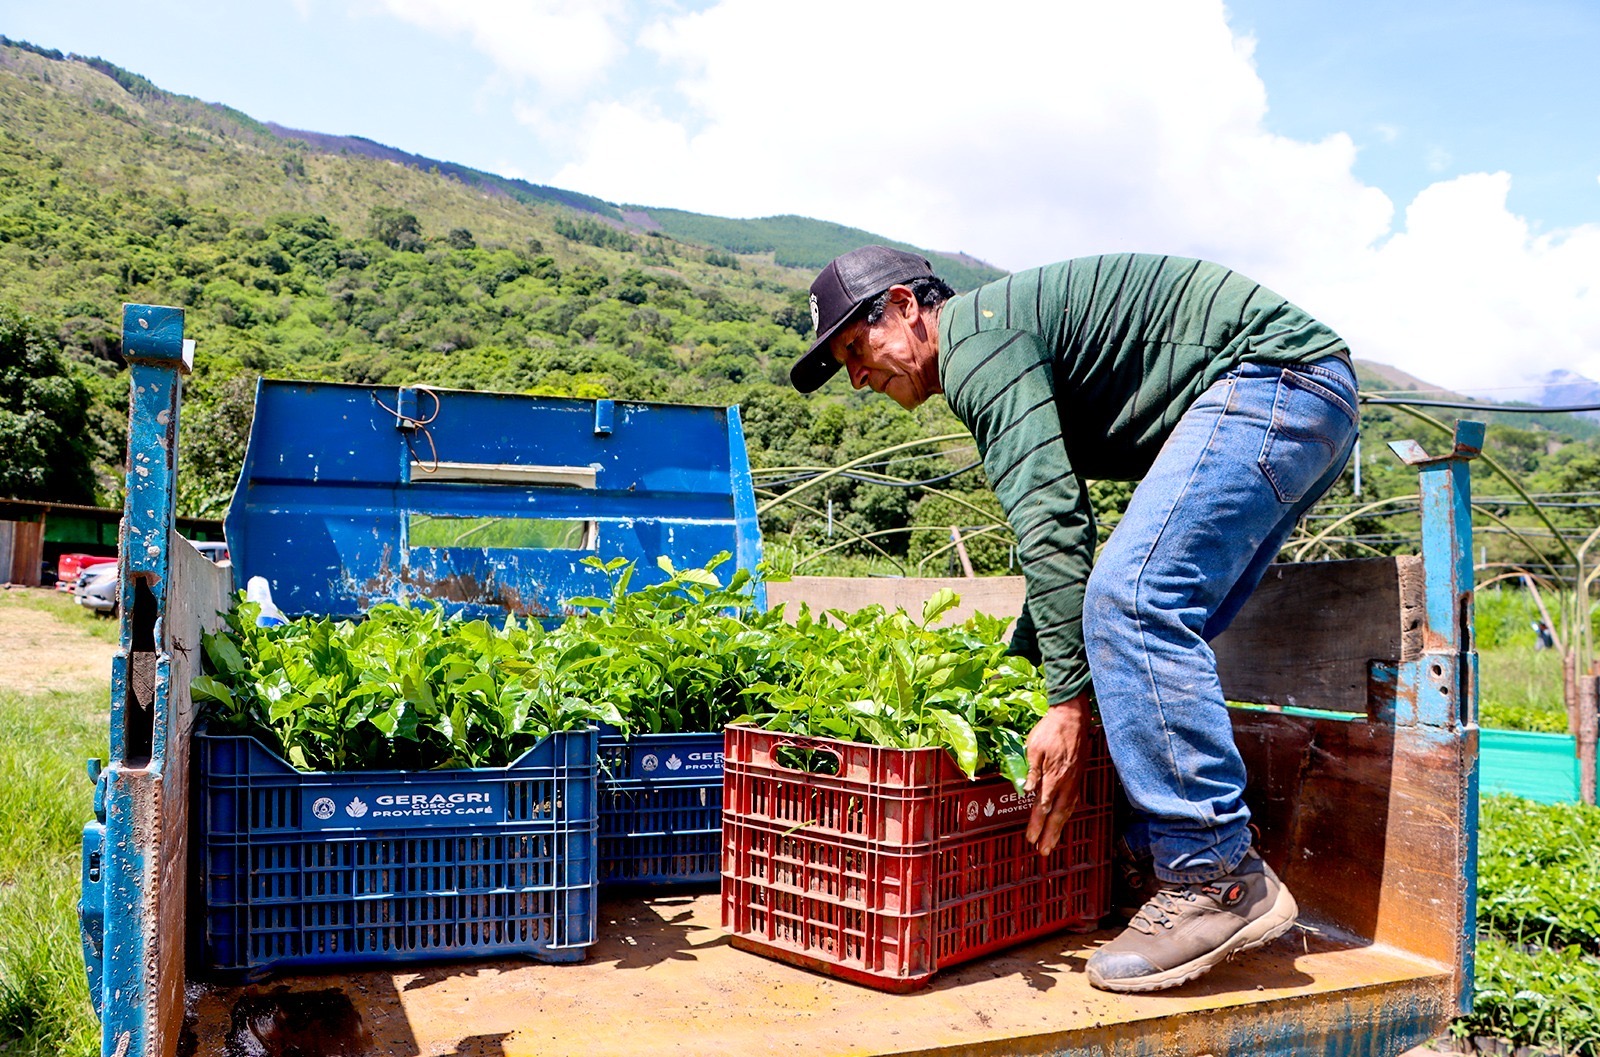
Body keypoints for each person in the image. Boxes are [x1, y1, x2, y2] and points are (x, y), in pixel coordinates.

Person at [790, 246, 1359, 993]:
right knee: (1143, 622)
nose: (859, 378)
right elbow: (1066, 550)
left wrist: (1064, 704)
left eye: (856, 352)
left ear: (904, 307)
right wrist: (1019, 672)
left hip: (1274, 380)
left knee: (1134, 602)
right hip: (1305, 394)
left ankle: (1215, 874)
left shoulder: (976, 344)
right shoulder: (991, 341)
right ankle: (1160, 851)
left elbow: (1053, 527)